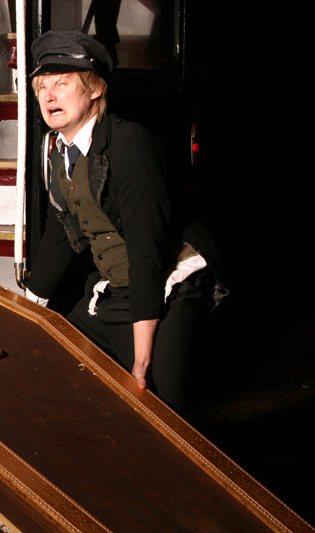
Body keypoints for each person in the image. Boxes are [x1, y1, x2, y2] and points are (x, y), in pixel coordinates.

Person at [25, 30, 223, 411]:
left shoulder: (130, 144)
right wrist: (26, 309)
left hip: (168, 284)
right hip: (117, 285)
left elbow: (146, 250)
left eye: (62, 84)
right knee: (56, 352)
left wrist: (142, 359)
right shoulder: (57, 154)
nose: (48, 97)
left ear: (95, 89)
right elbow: (59, 236)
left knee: (161, 408)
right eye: (42, 88)